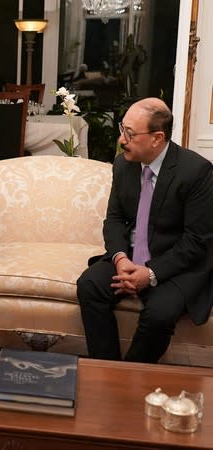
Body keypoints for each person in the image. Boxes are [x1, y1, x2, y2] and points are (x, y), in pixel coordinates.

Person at [77, 97, 213, 363]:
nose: (121, 140)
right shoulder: (123, 165)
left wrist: (150, 273)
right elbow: (114, 219)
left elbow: (197, 241)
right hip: (129, 257)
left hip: (174, 266)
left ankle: (131, 377)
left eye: (130, 133)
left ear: (157, 138)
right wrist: (120, 259)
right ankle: (107, 368)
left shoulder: (196, 172)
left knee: (160, 314)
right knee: (89, 285)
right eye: (122, 129)